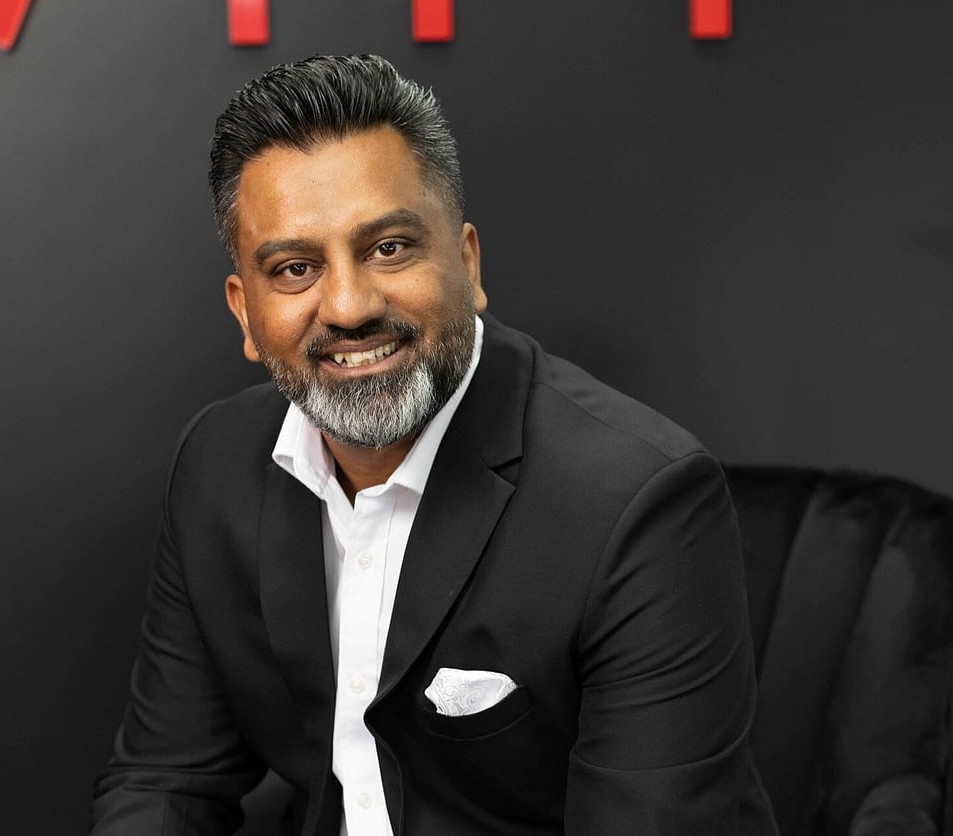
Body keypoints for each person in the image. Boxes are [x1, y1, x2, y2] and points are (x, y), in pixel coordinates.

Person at [91, 54, 778, 836]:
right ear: (245, 313)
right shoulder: (216, 463)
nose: (349, 307)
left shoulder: (637, 500)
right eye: (295, 268)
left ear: (468, 263)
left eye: (388, 248)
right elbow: (166, 780)